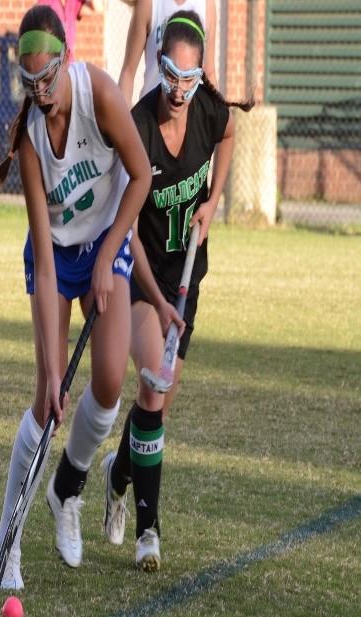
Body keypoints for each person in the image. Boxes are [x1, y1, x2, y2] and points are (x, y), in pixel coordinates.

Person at [0, 4, 153, 590]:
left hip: (105, 241)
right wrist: (56, 372)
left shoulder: (100, 94)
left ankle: (67, 490)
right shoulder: (30, 143)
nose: (41, 90)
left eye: (47, 77)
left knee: (110, 382)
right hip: (56, 257)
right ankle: (7, 545)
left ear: (66, 61)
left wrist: (110, 255)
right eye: (29, 82)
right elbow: (44, 257)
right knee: (46, 398)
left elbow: (141, 174)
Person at [102, 10, 253, 571]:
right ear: (158, 64)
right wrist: (158, 299)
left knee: (156, 408)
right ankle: (148, 531)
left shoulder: (210, 108)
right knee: (151, 383)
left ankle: (118, 475)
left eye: (190, 78)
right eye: (170, 75)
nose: (180, 89)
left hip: (190, 274)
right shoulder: (139, 128)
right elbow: (128, 232)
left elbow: (233, 132)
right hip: (144, 276)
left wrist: (213, 201)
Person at [118, 0, 217, 106]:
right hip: (152, 112)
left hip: (190, 112)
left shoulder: (207, 5)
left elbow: (209, 71)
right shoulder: (149, 4)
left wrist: (216, 112)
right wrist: (123, 116)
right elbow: (128, 71)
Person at [37, 0, 105, 62]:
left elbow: (99, 8)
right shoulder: (45, 2)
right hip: (50, 62)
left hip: (68, 62)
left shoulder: (72, 2)